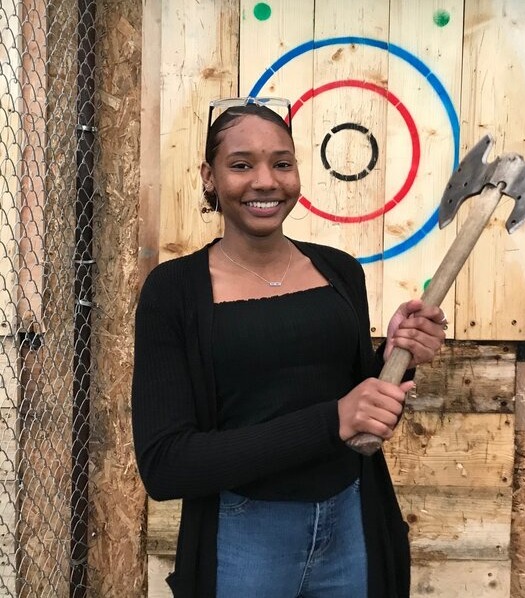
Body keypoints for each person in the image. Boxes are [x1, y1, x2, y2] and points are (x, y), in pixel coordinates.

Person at [132, 98, 447, 598]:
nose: (265, 181)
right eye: (241, 165)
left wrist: (399, 357)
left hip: (352, 520)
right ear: (209, 177)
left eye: (282, 163)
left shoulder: (339, 271)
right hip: (245, 538)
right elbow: (166, 465)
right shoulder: (174, 292)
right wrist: (333, 419)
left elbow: (363, 416)